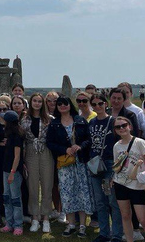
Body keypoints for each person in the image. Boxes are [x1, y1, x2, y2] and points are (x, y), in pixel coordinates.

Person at [46, 95, 93, 239]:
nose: (62, 106)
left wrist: (80, 146)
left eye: (65, 103)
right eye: (59, 104)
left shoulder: (80, 120)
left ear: (69, 105)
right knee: (67, 192)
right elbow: (50, 142)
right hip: (65, 164)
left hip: (80, 162)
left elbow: (88, 139)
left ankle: (83, 225)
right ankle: (71, 223)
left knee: (82, 191)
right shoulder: (54, 124)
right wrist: (64, 149)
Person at [87, 93, 123, 242]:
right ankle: (104, 233)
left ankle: (116, 234)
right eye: (94, 104)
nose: (97, 107)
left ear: (105, 104)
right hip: (95, 164)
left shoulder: (113, 122)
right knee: (100, 201)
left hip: (109, 163)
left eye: (100, 103)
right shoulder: (92, 122)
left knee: (113, 201)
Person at [112, 116, 145, 242]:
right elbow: (116, 165)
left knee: (142, 218)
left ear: (130, 126)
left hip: (138, 184)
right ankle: (129, 239)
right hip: (120, 183)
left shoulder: (139, 142)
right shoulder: (116, 146)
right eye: (118, 127)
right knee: (125, 215)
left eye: (124, 125)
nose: (121, 128)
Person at [22, 92, 54, 234]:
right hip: (30, 151)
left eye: (39, 101)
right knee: (32, 185)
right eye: (34, 101)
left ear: (43, 104)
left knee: (47, 184)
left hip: (46, 151)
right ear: (31, 102)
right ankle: (35, 217)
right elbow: (21, 138)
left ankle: (46, 217)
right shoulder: (24, 119)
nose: (37, 103)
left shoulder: (49, 119)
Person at [0, 110, 25, 236]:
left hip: (13, 171)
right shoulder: (9, 135)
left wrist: (12, 172)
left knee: (15, 198)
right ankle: (9, 223)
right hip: (6, 169)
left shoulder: (16, 136)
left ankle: (18, 224)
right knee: (6, 197)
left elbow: (17, 156)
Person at [43, 91, 64, 222]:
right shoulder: (43, 116)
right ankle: (57, 209)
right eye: (49, 101)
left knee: (63, 184)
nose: (52, 103)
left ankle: (64, 210)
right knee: (52, 184)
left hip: (61, 152)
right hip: (47, 153)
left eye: (55, 101)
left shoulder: (62, 114)